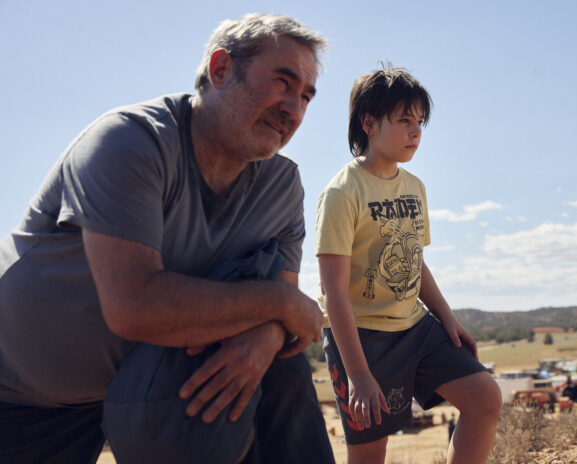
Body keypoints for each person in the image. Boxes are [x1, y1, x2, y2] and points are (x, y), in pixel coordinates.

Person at [0, 13, 334, 464]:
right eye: (282, 82)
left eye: (306, 96)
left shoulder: (281, 186)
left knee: (279, 366)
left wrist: (270, 333)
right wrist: (281, 305)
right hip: (19, 397)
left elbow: (283, 310)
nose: (294, 109)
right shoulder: (129, 142)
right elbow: (133, 304)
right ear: (221, 69)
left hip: (140, 391)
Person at [316, 65, 502, 464]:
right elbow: (334, 293)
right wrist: (358, 375)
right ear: (369, 123)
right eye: (403, 120)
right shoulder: (341, 193)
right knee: (370, 453)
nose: (415, 131)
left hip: (415, 326)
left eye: (419, 121)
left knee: (485, 398)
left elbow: (416, 262)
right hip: (362, 338)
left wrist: (447, 317)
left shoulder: (415, 187)